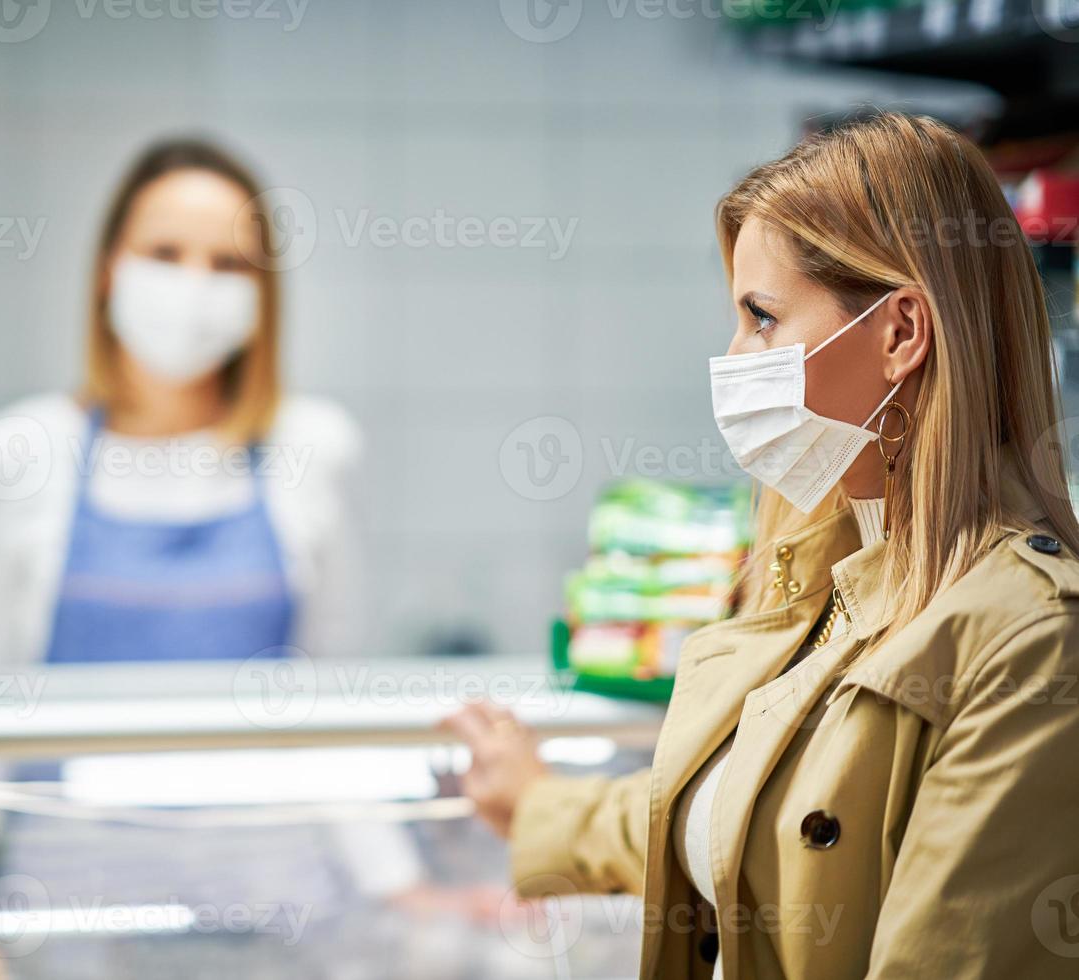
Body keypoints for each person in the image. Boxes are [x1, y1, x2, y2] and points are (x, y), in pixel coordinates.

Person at [444, 112, 1079, 979]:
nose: (736, 355)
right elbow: (740, 807)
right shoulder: (827, 575)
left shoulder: (1032, 640)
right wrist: (540, 808)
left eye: (762, 316)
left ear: (901, 335)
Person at [0, 139, 421, 921]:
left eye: (230, 263)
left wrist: (402, 890)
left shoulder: (315, 448)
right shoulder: (19, 452)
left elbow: (331, 710)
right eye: (165, 253)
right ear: (109, 267)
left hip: (274, 904)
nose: (194, 288)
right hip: (75, 904)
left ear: (265, 293)